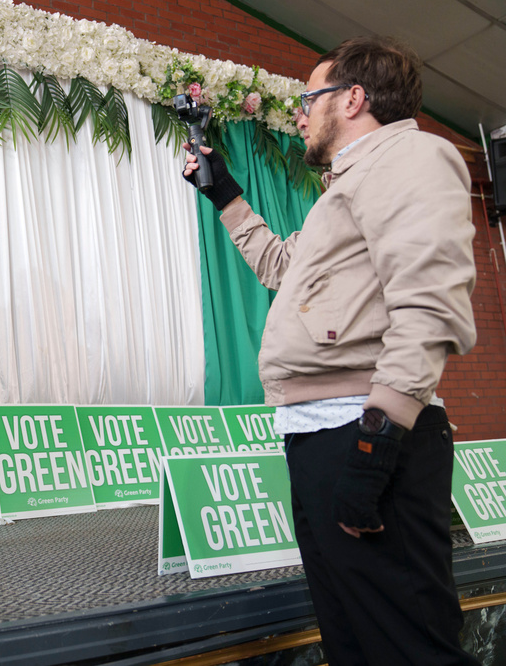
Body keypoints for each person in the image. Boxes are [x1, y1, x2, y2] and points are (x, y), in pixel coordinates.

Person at [183, 36, 478, 664]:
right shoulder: (346, 188)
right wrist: (225, 195)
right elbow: (280, 266)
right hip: (324, 434)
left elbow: (428, 307)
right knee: (355, 638)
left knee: (405, 644)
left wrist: (376, 442)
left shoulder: (412, 158)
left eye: (308, 98)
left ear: (353, 98)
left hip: (364, 434)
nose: (299, 113)